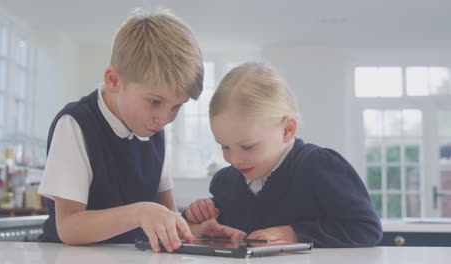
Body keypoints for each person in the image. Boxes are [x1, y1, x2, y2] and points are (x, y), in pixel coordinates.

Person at [38, 9, 243, 252]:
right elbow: (69, 227)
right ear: (114, 81)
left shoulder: (154, 130)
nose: (165, 118)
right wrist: (140, 213)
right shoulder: (76, 124)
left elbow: (165, 214)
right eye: (155, 102)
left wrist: (193, 231)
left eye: (177, 106)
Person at [184, 62, 383, 248]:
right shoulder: (226, 182)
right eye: (224, 147)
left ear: (287, 130)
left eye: (248, 147)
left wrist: (296, 233)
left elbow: (366, 229)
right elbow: (214, 229)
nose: (233, 159)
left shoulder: (318, 166)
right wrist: (198, 215)